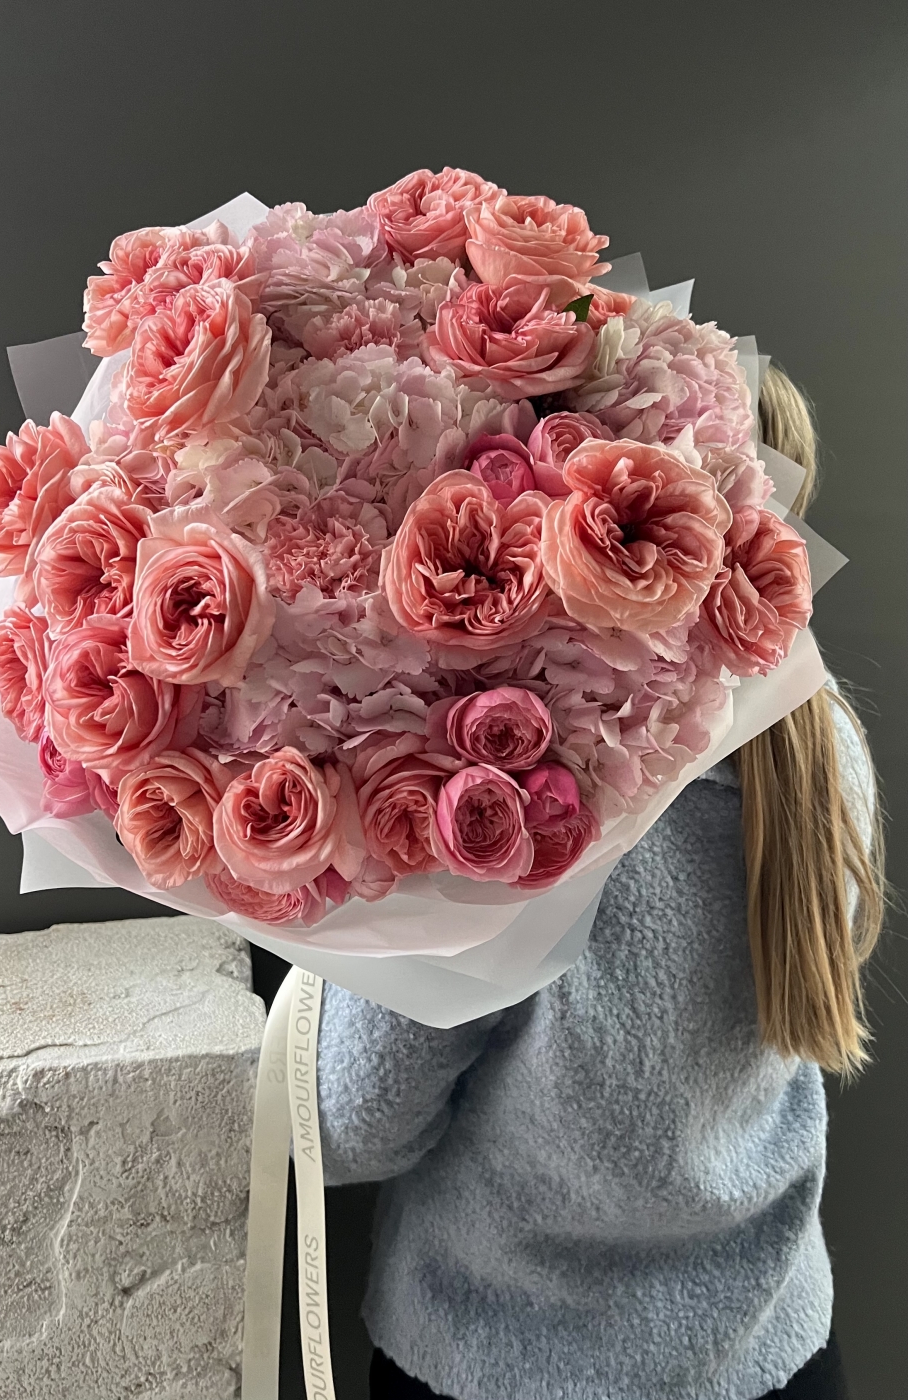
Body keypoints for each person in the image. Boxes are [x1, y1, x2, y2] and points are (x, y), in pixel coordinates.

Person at [313, 367, 886, 1400]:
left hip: (496, 1360)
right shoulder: (824, 747)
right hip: (770, 1353)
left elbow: (351, 1124)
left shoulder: (504, 804)